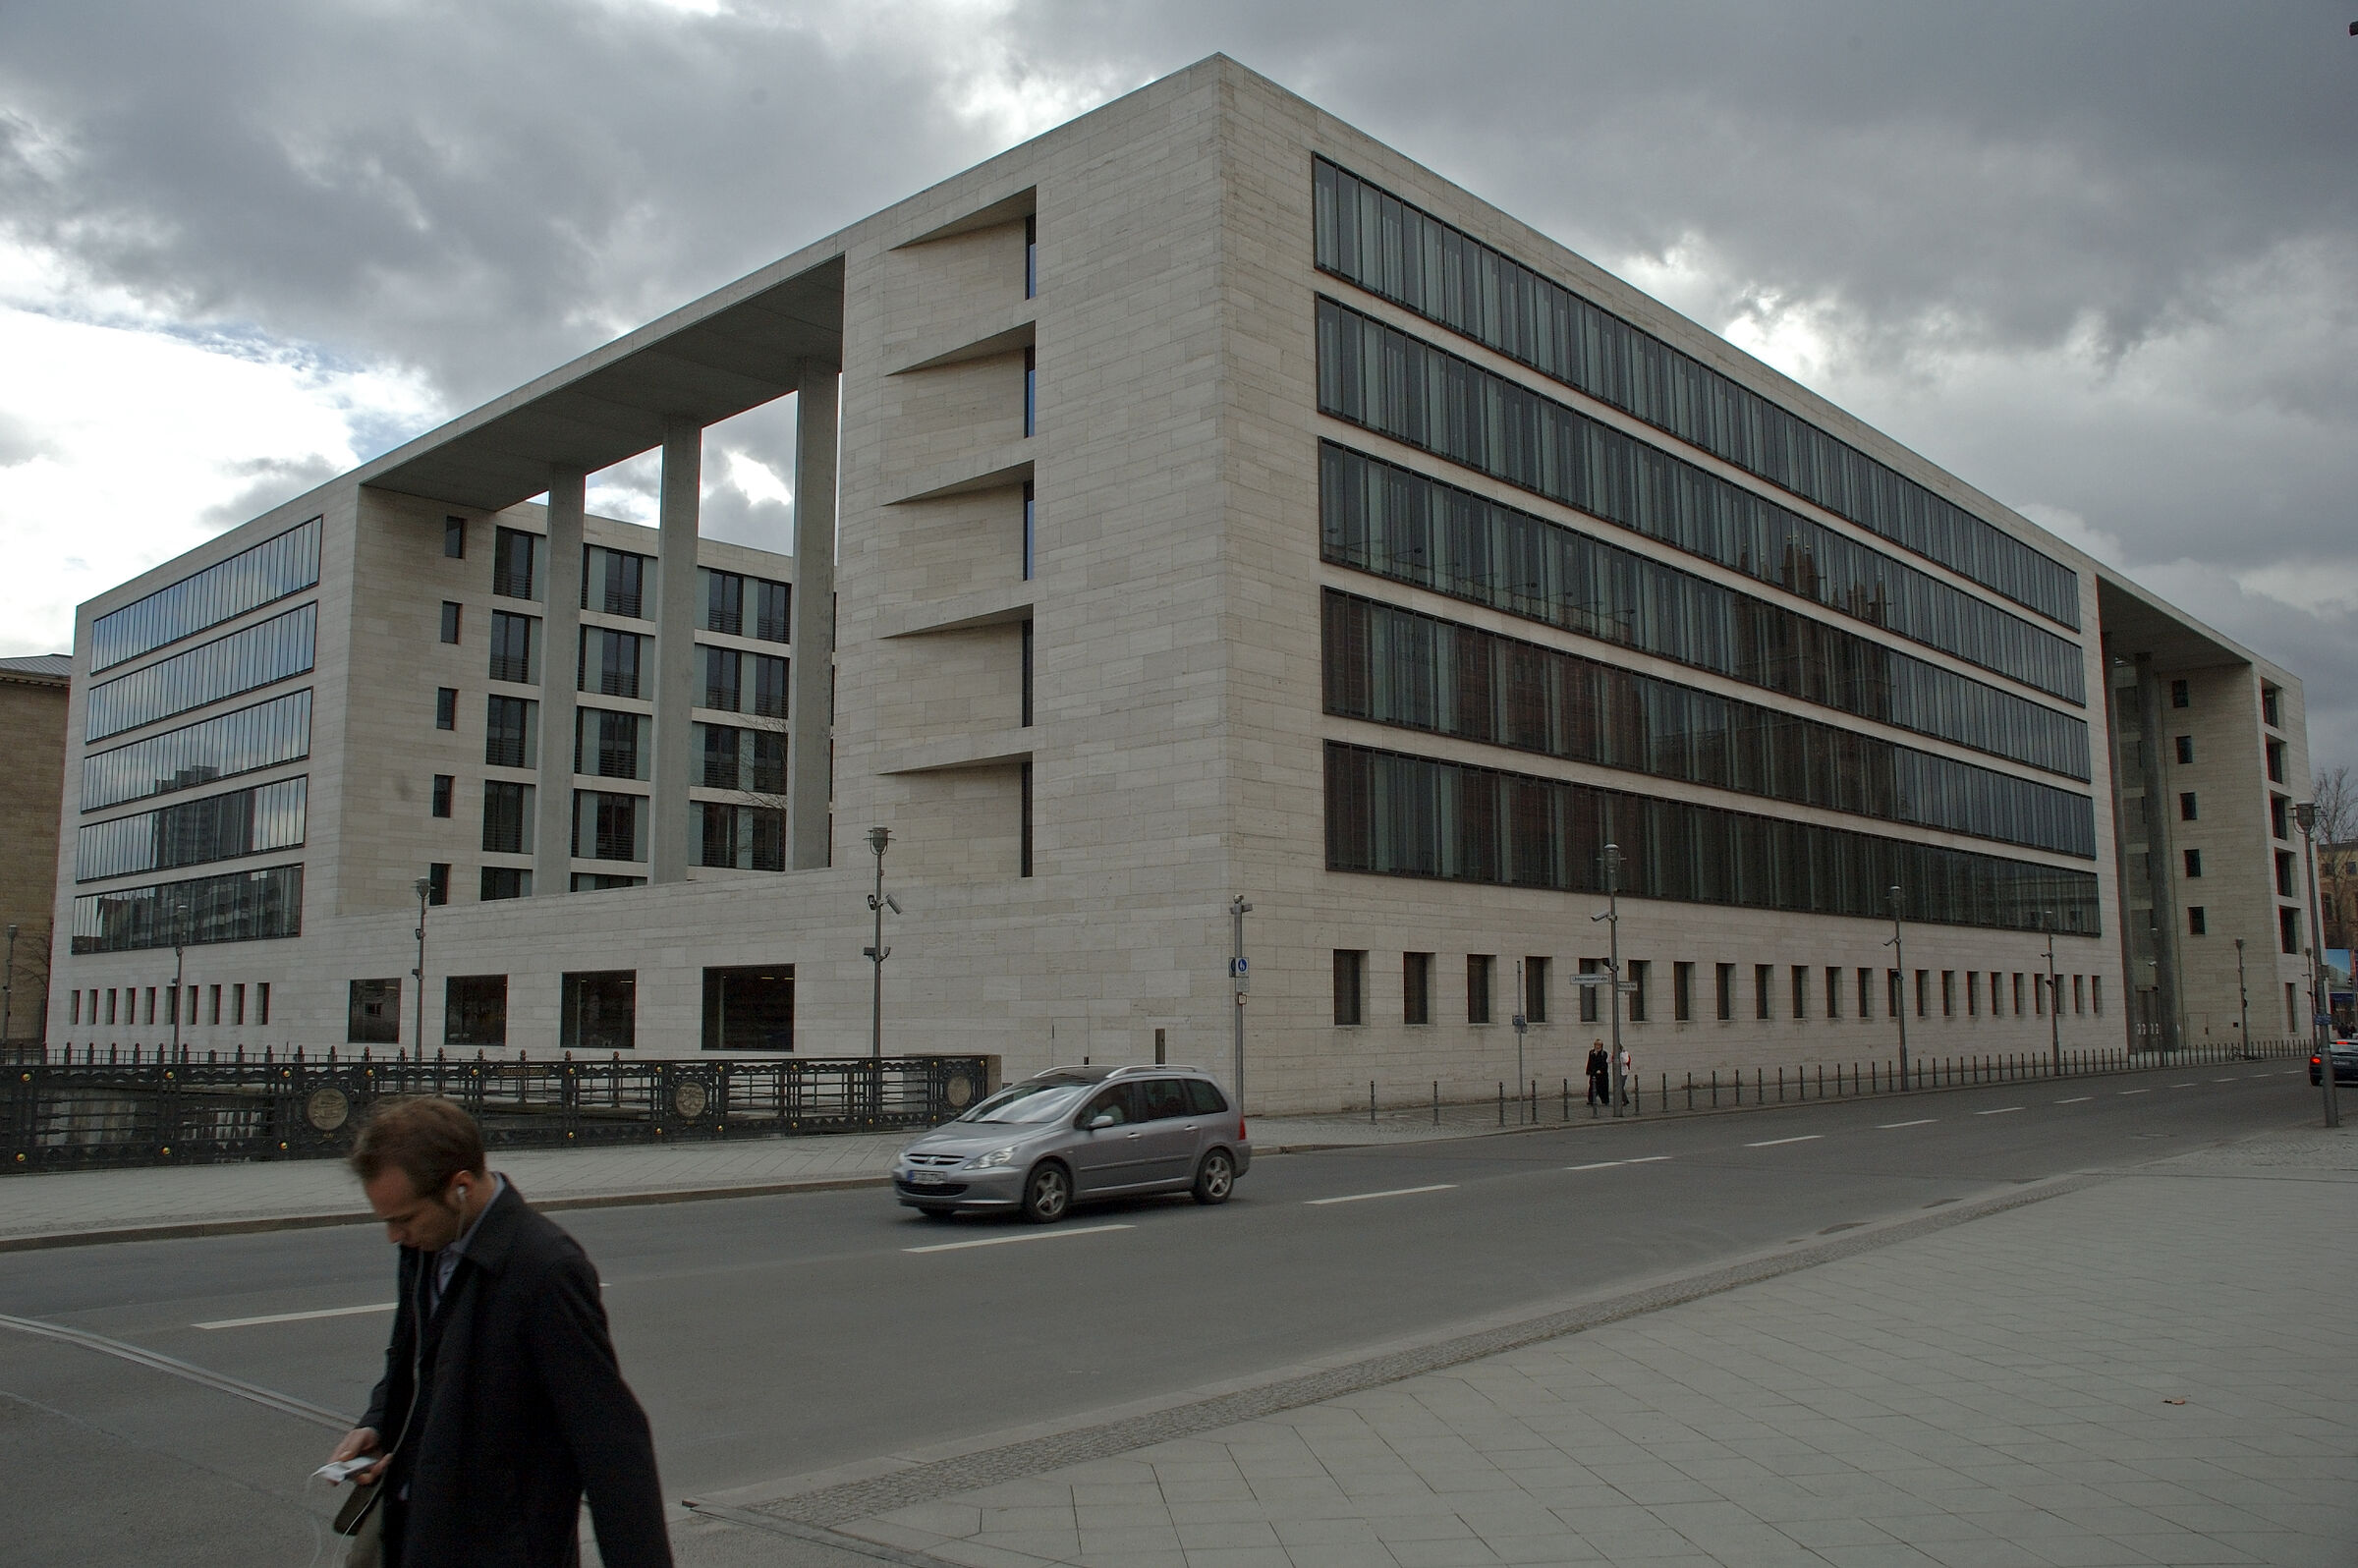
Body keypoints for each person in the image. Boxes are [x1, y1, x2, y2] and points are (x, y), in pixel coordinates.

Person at [325, 1096, 673, 1567]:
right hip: (414, 1529)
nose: (393, 1236)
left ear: (461, 1188)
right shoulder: (427, 1243)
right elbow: (408, 1358)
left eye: (403, 1219)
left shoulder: (545, 1268)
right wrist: (378, 1422)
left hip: (501, 1548)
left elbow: (611, 1442)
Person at [1584, 1039, 1609, 1111]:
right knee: (1592, 1086)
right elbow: (1589, 1062)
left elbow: (1604, 1063)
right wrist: (1588, 1071)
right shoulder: (1591, 1052)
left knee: (1602, 1087)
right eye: (1596, 1044)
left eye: (1599, 1045)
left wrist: (1601, 1070)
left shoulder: (1604, 1053)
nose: (1597, 1046)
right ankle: (1591, 1100)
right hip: (1593, 1073)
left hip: (1602, 1074)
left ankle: (1605, 1100)